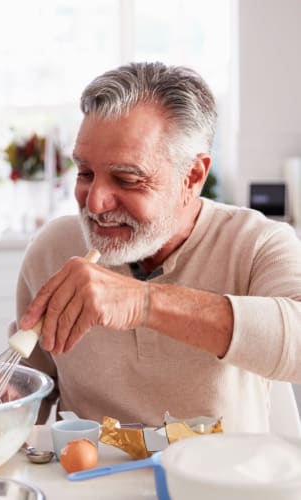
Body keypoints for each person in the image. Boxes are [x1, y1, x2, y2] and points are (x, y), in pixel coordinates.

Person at [15, 61, 301, 433]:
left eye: (127, 179)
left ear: (193, 177)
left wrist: (143, 303)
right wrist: (2, 396)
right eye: (85, 173)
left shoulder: (255, 242)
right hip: (89, 483)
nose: (95, 202)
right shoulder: (53, 249)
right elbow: (33, 384)